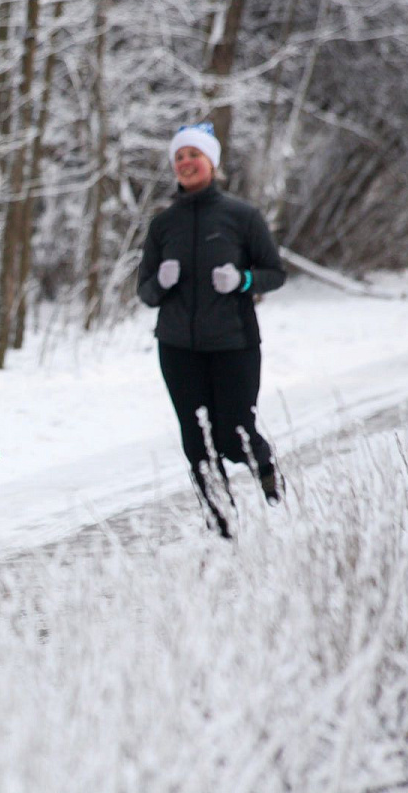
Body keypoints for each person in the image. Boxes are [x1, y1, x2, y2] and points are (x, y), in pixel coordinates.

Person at [136, 123, 287, 538]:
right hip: (178, 347)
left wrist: (242, 281)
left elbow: (275, 273)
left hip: (234, 343)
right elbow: (145, 293)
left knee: (235, 433)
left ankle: (269, 478)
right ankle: (223, 525)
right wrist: (162, 283)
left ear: (212, 163)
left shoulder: (242, 216)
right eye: (179, 157)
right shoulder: (163, 224)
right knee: (197, 442)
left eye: (193, 155)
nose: (185, 162)